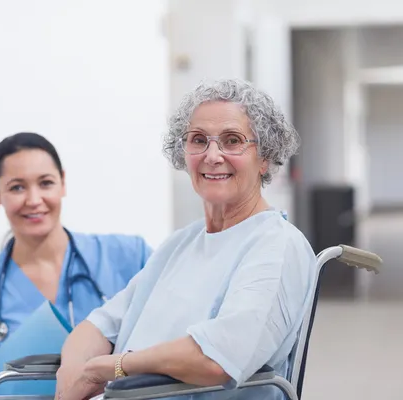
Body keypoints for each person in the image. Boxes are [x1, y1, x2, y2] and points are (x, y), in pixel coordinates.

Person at [55, 79, 317, 400]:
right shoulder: (181, 244)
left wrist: (114, 367)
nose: (212, 155)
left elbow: (217, 358)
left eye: (232, 141)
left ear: (265, 156)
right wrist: (71, 372)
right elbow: (98, 326)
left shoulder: (276, 246)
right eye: (198, 140)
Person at [0, 132, 153, 400]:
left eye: (46, 183)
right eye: (17, 187)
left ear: (62, 183)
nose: (34, 199)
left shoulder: (130, 256)